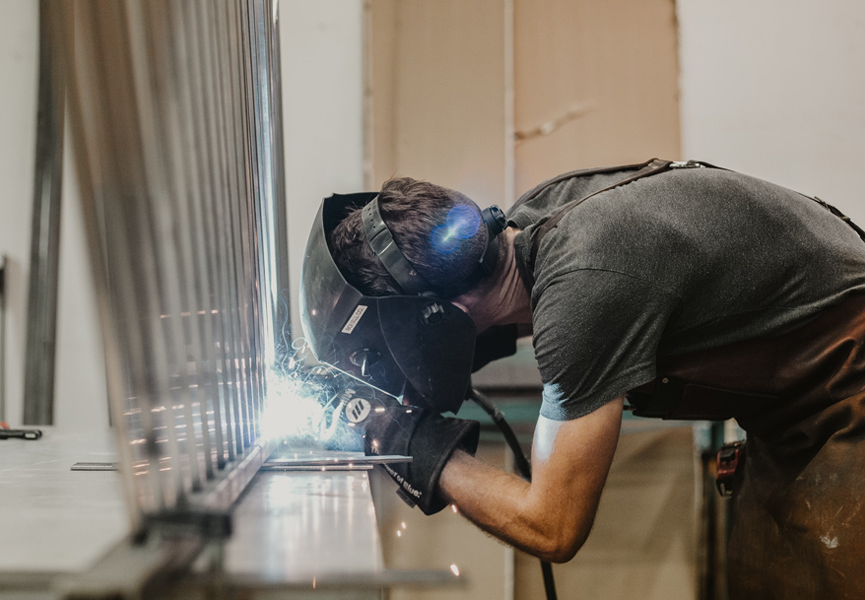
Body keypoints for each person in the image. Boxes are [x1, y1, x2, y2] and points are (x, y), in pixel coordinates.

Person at [301, 159, 865, 599]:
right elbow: (506, 317)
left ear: (432, 316)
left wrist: (408, 442)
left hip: (847, 391)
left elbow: (552, 527)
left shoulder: (581, 285)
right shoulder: (529, 225)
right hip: (792, 414)